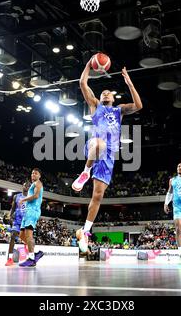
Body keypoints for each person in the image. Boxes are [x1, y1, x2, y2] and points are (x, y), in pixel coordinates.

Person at [72, 56, 143, 252]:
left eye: (108, 92)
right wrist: (89, 63)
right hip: (95, 146)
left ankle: (84, 232)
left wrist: (129, 83)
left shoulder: (119, 110)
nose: (105, 93)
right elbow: (82, 82)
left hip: (109, 156)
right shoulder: (95, 105)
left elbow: (138, 105)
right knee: (99, 143)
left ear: (113, 98)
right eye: (103, 92)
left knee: (98, 196)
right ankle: (85, 171)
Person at [18, 169, 44, 267]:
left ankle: (31, 259)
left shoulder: (38, 183)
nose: (33, 174)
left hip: (33, 211)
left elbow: (36, 196)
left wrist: (23, 199)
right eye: (32, 173)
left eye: (36, 173)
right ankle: (35, 253)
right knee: (21, 235)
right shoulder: (33, 185)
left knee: (29, 235)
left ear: (39, 176)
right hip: (27, 212)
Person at [5, 181, 30, 266]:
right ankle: (10, 259)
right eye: (25, 185)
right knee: (13, 236)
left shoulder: (31, 198)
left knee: (27, 240)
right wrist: (10, 216)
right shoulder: (16, 196)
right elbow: (13, 208)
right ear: (22, 186)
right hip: (17, 220)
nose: (26, 186)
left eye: (28, 186)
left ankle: (30, 257)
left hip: (26, 221)